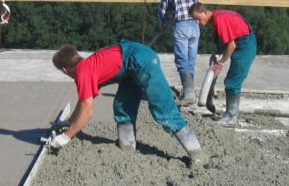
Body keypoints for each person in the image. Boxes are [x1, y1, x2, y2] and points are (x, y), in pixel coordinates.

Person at [50, 39, 204, 165]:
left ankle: (197, 155)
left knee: (164, 110)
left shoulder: (83, 74)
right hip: (130, 63)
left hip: (141, 60)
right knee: (123, 106)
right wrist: (69, 122)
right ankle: (127, 148)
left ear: (64, 69)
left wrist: (66, 137)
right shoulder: (88, 65)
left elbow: (87, 112)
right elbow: (84, 103)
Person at [188, 3, 257, 126]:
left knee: (233, 82)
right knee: (231, 81)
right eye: (194, 19)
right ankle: (229, 113)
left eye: (198, 18)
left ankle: (231, 116)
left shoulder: (218, 19)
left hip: (245, 45)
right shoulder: (216, 17)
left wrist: (220, 63)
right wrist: (217, 54)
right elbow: (225, 40)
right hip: (243, 42)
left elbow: (231, 45)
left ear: (204, 12)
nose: (197, 22)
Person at [157, 0, 216, 105]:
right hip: (195, 24)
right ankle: (189, 91)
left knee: (182, 59)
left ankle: (189, 92)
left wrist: (163, 24)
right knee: (190, 59)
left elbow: (162, 10)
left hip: (181, 25)